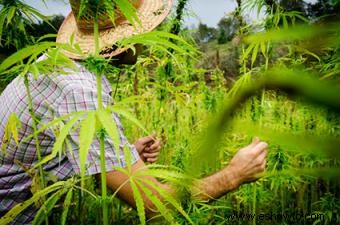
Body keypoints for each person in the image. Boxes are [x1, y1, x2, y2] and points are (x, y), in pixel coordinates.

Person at [0, 0, 268, 224]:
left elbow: (55, 154)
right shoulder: (80, 91)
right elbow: (152, 204)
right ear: (129, 36)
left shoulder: (56, 62)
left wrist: (119, 157)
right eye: (146, 29)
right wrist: (233, 175)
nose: (149, 39)